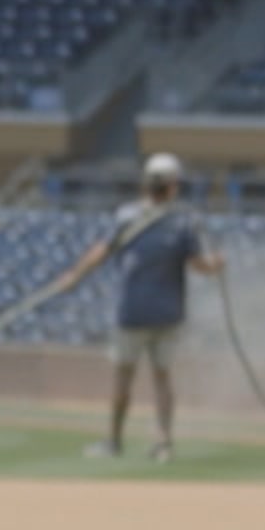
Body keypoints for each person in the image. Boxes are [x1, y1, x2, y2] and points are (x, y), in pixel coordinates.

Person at [53, 152, 225, 463]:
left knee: (125, 378)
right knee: (162, 379)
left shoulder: (129, 216)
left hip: (135, 312)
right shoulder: (184, 220)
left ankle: (115, 441)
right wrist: (215, 266)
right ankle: (163, 443)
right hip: (167, 313)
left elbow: (101, 251)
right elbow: (199, 264)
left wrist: (74, 277)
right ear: (174, 186)